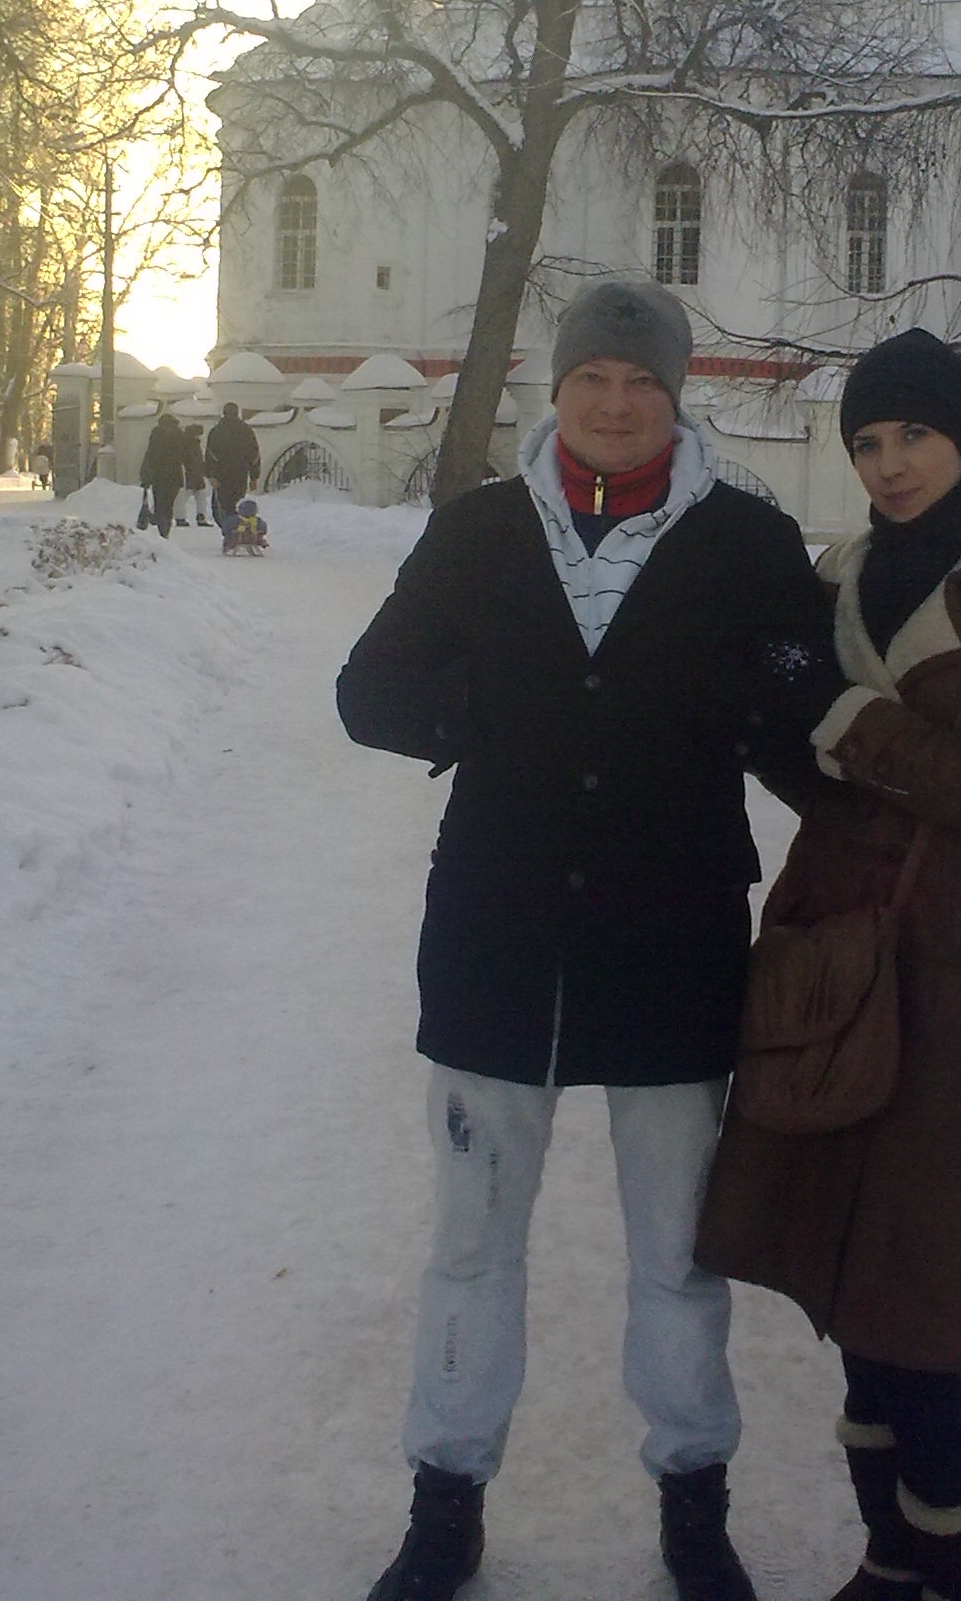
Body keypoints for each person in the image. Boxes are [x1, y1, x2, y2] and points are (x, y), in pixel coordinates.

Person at [336, 280, 841, 1601]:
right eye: (593, 379)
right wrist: (477, 707)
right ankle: (445, 1503)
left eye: (642, 381)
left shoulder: (746, 542)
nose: (617, 404)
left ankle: (694, 1501)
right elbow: (368, 688)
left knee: (679, 1255)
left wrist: (769, 727)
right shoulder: (480, 533)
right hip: (498, 942)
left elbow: (810, 712)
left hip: (673, 945)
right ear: (556, 389)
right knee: (471, 1247)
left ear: (677, 395)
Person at [696, 329, 961, 1601]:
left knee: (912, 1298)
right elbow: (827, 786)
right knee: (842, 1278)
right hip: (832, 960)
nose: (889, 462)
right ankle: (891, 1554)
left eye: (913, 433)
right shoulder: (842, 579)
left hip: (958, 980)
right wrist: (769, 720)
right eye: (868, 441)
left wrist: (840, 713)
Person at [204, 400, 260, 523]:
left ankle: (229, 529)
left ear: (224, 413)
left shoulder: (216, 431)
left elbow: (210, 454)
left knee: (222, 507)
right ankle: (237, 528)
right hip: (241, 473)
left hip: (222, 474)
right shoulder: (246, 431)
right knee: (237, 504)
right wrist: (254, 477)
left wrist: (210, 475)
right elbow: (254, 455)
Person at [138, 413, 189, 538]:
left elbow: (150, 455)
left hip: (158, 476)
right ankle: (165, 530)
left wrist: (145, 475)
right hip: (174, 476)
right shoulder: (179, 435)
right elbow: (186, 455)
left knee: (160, 504)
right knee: (168, 505)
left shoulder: (156, 435)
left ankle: (162, 527)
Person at [175, 423, 211, 527]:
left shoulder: (186, 443)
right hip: (192, 474)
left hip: (192, 474)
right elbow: (195, 460)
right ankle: (197, 517)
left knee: (187, 497)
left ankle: (181, 517)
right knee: (195, 497)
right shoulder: (191, 444)